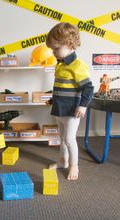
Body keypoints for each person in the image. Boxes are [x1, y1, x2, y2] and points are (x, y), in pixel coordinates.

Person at [46, 23, 94, 180]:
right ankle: (63, 161)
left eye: (56, 49)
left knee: (69, 139)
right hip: (59, 109)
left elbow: (88, 88)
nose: (53, 52)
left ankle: (74, 166)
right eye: (52, 49)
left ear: (69, 44)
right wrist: (54, 99)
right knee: (61, 138)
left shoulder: (77, 65)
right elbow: (61, 87)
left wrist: (83, 106)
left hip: (72, 111)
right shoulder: (60, 64)